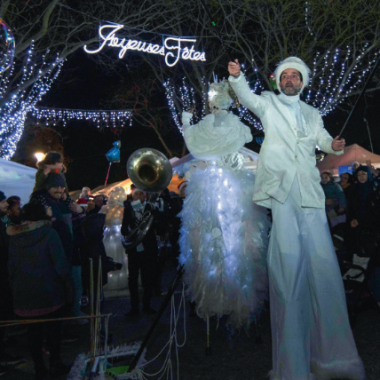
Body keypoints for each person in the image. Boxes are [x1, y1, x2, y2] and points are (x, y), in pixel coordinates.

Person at [228, 57, 365, 379]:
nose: (290, 79)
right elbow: (247, 98)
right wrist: (237, 78)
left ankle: (332, 356)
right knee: (290, 264)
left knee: (322, 262)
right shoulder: (268, 102)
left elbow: (323, 138)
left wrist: (332, 144)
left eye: (295, 76)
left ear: (302, 82)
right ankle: (294, 362)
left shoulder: (312, 112)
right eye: (286, 75)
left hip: (309, 191)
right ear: (279, 81)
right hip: (282, 188)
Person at [179, 80, 270, 329]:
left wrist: (188, 123)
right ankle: (212, 301)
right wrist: (186, 123)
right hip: (209, 188)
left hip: (233, 189)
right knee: (207, 243)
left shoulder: (237, 127)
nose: (217, 102)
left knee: (238, 241)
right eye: (214, 99)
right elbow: (194, 142)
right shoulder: (203, 127)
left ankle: (238, 299)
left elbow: (242, 138)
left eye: (221, 98)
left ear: (229, 101)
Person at [7, 202, 73, 380]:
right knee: (53, 331)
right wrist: (68, 288)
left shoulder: (14, 238)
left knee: (33, 334)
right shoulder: (49, 234)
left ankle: (39, 368)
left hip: (25, 296)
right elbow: (61, 265)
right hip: (50, 294)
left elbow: (11, 268)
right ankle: (55, 364)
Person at [121, 189, 159, 316]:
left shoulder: (151, 208)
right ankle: (134, 307)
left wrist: (157, 211)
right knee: (132, 279)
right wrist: (129, 228)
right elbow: (123, 229)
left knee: (147, 278)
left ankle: (146, 305)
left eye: (140, 195)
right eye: (135, 195)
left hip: (148, 249)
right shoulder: (129, 209)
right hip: (134, 250)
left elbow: (158, 226)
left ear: (144, 196)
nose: (137, 197)